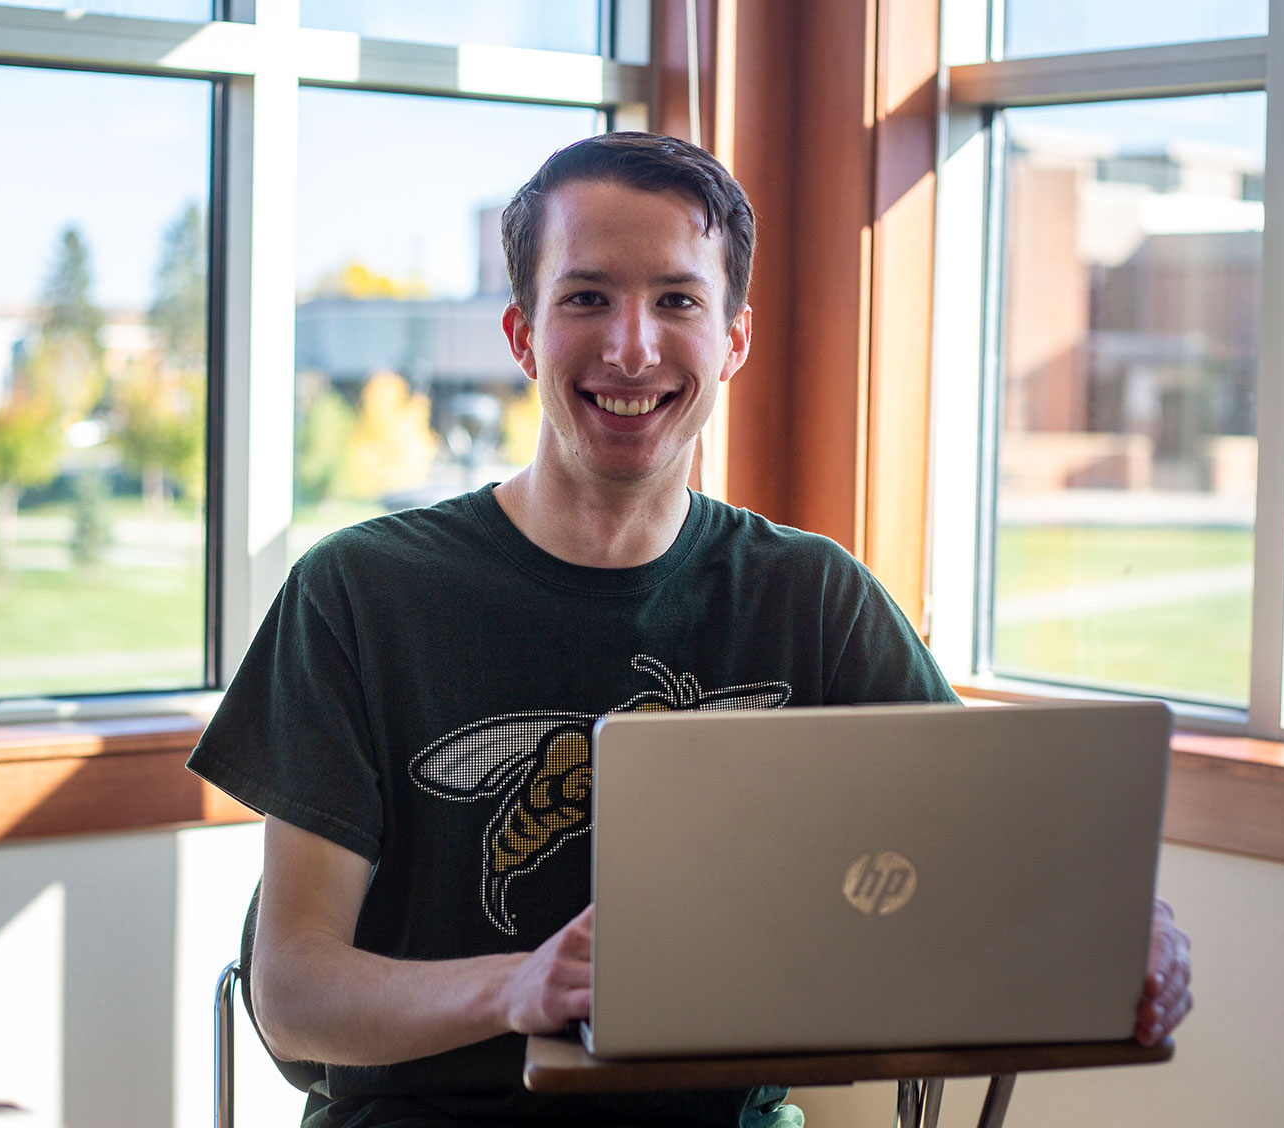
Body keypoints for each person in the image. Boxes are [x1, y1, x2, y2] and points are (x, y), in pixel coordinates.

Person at [188, 132, 1193, 1128]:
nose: (631, 346)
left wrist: (1121, 933)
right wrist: (513, 988)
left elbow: (1000, 855)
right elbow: (291, 992)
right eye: (586, 297)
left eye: (676, 300)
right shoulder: (357, 596)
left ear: (732, 342)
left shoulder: (814, 600)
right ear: (522, 335)